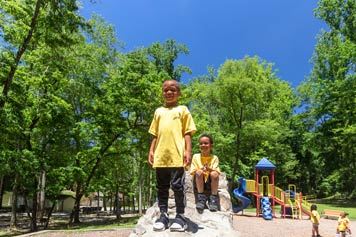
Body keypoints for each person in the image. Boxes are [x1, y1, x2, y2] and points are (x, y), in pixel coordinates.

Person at [148, 79, 196, 232]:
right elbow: (155, 133)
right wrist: (151, 150)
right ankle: (163, 215)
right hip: (161, 156)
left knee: (177, 186)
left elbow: (187, 132)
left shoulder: (182, 109)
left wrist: (188, 151)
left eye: (173, 89)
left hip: (177, 155)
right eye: (166, 90)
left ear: (179, 93)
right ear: (162, 93)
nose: (169, 92)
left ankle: (180, 216)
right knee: (161, 187)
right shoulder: (158, 111)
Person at [190, 133, 220, 213]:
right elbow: (193, 171)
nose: (203, 145)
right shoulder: (196, 156)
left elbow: (217, 172)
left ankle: (213, 198)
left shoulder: (214, 158)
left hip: (210, 182)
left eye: (206, 143)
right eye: (201, 143)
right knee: (199, 172)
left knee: (214, 174)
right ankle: (201, 198)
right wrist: (201, 169)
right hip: (199, 181)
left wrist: (209, 169)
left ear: (211, 145)